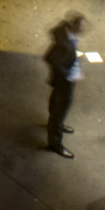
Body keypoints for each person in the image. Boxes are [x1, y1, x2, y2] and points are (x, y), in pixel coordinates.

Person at [43, 13, 86, 157]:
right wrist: (69, 74)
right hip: (65, 81)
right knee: (61, 109)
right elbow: (53, 59)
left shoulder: (66, 35)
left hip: (61, 80)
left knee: (56, 101)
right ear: (74, 26)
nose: (84, 28)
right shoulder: (65, 43)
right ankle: (55, 142)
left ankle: (55, 124)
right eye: (81, 25)